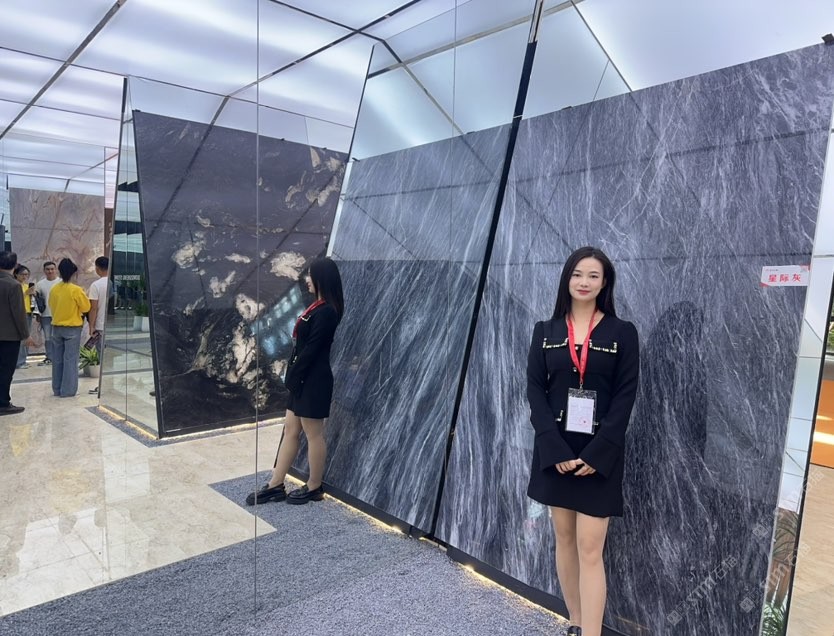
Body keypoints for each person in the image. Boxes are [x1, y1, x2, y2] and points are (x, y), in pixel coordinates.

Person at [526, 246, 639, 636]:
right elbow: (535, 391)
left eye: (593, 275)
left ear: (605, 282)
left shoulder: (622, 333)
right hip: (556, 450)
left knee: (591, 548)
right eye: (577, 274)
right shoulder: (546, 331)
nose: (584, 282)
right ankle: (575, 622)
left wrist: (599, 452)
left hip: (598, 457)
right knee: (564, 538)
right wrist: (552, 446)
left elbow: (625, 396)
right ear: (567, 279)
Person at [247, 257, 344, 506]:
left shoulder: (327, 312)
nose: (307, 280)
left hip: (313, 381)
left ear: (321, 278)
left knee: (313, 434)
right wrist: (294, 376)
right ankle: (276, 484)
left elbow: (312, 350)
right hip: (302, 379)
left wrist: (293, 375)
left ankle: (314, 486)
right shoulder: (317, 307)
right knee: (290, 430)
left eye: (311, 275)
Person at [48, 258, 91, 398]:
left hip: (56, 327)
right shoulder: (76, 290)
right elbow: (86, 308)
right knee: (70, 360)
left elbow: (51, 305)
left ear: (59, 272)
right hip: (72, 328)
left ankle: (57, 388)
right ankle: (68, 391)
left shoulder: (54, 289)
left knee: (57, 359)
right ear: (73, 273)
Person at [0, 252, 30, 415]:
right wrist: (25, 334)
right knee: (5, 370)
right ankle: (3, 403)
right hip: (8, 336)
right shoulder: (13, 285)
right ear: (15, 265)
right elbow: (19, 313)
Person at [35, 261, 60, 366]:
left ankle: (58, 356)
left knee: (58, 337)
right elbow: (36, 301)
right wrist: (37, 314)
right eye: (48, 269)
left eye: (52, 269)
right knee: (48, 337)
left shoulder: (61, 282)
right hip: (45, 315)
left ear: (56, 270)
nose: (50, 271)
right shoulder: (40, 284)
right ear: (44, 270)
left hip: (59, 315)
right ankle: (49, 357)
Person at [13, 265, 36, 369]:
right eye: (22, 274)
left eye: (26, 274)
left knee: (27, 337)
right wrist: (26, 293)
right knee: (22, 338)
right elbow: (15, 300)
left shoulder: (27, 286)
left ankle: (23, 359)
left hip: (28, 313)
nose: (24, 276)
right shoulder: (14, 286)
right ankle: (19, 361)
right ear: (16, 274)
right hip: (19, 313)